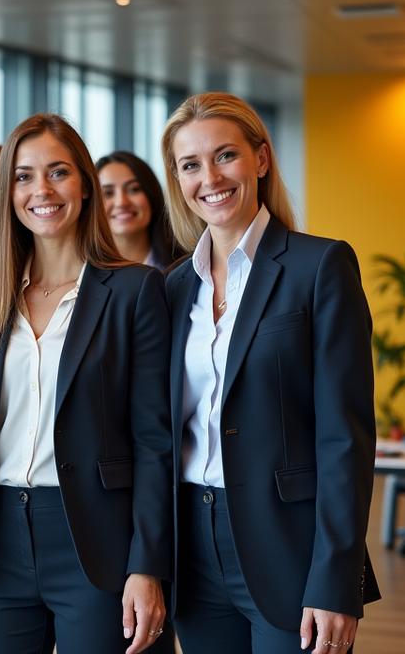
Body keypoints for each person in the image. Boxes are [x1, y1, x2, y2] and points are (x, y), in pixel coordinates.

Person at [0, 114, 173, 654]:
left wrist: (147, 565)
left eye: (58, 172)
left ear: (84, 185)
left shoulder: (135, 291)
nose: (41, 190)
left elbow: (155, 442)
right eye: (23, 176)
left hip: (96, 539)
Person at [161, 92, 379, 653]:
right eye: (190, 165)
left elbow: (344, 438)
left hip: (289, 545)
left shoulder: (319, 266)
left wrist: (338, 582)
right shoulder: (173, 287)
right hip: (192, 546)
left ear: (260, 159)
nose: (209, 177)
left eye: (225, 155)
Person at [96, 150, 186, 270]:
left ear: (151, 195)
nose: (121, 202)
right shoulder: (82, 274)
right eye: (107, 193)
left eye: (134, 189)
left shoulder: (185, 268)